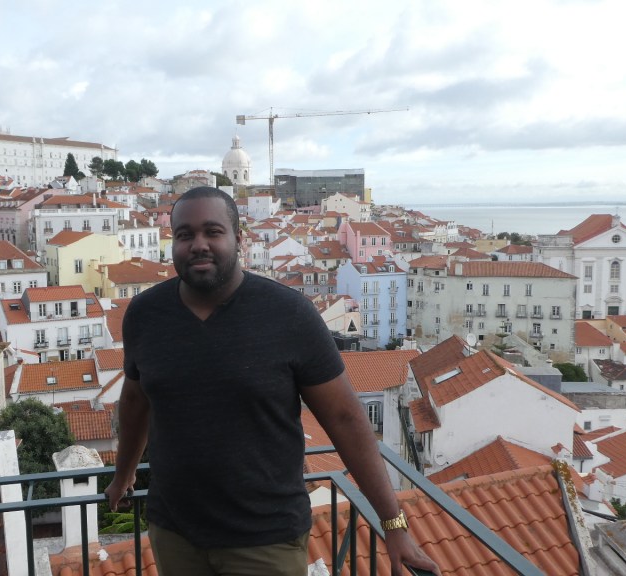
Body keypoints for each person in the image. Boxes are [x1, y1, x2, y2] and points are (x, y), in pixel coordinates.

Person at [106, 186, 441, 576]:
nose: (198, 244)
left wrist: (394, 524)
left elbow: (346, 420)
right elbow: (135, 402)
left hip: (266, 539)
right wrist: (123, 473)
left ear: (239, 239)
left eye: (213, 231)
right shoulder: (145, 315)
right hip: (175, 533)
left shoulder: (289, 315)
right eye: (185, 234)